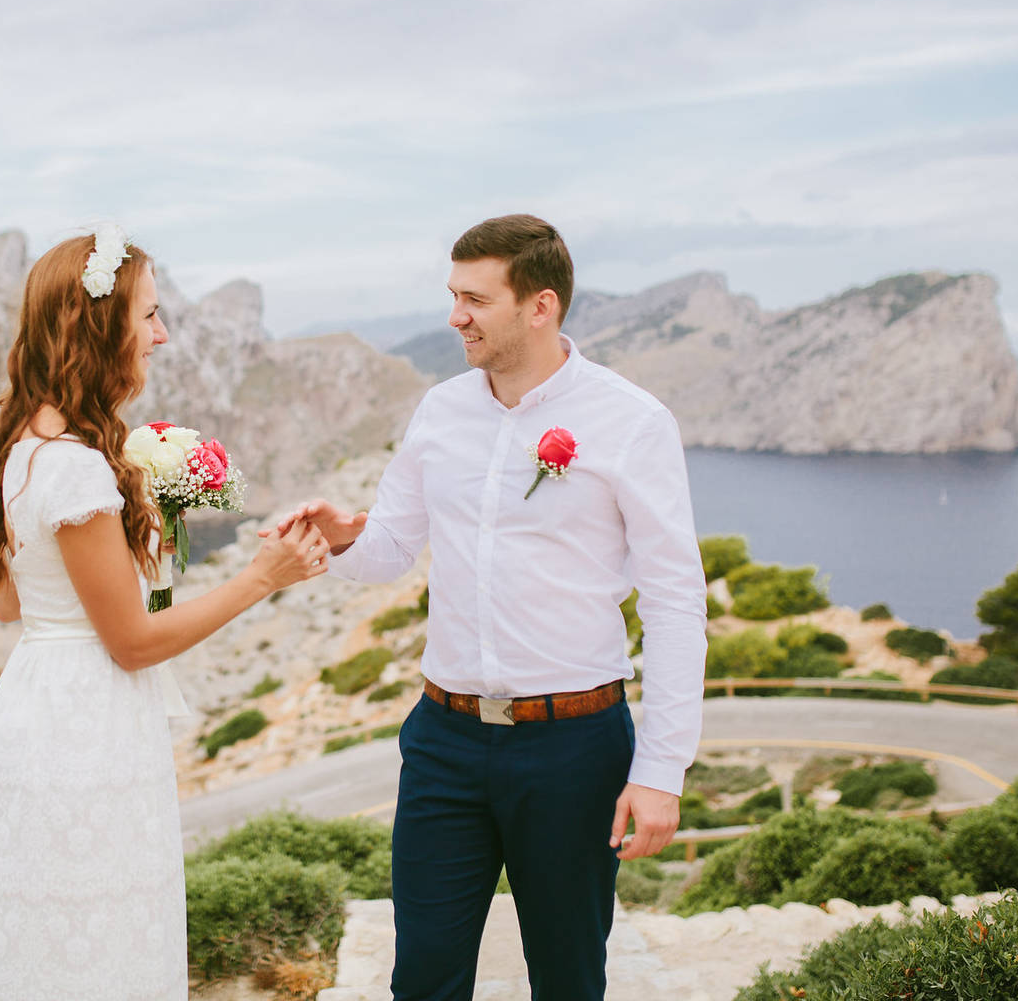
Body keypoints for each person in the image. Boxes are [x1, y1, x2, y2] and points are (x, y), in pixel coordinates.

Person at [273, 214, 708, 1001]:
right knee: (425, 976)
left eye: (474, 298)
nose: (454, 317)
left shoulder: (634, 421)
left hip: (574, 747)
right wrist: (342, 537)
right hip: (443, 741)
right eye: (452, 295)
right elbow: (392, 550)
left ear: (539, 306)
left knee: (569, 978)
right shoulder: (440, 411)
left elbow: (677, 601)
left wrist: (663, 770)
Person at [0, 226, 330, 1000]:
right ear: (98, 328)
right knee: (106, 941)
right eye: (149, 316)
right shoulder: (75, 468)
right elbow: (132, 645)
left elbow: (10, 603)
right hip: (85, 727)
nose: (162, 335)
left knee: (50, 942)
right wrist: (262, 576)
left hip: (37, 698)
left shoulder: (24, 445)